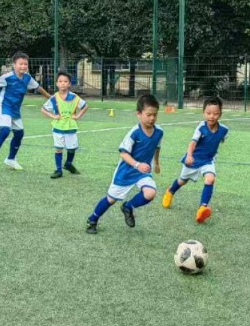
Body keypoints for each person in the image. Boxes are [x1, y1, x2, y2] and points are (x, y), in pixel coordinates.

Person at [86, 93, 163, 234]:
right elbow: (123, 153)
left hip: (143, 172)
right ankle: (93, 219)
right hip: (126, 171)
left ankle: (128, 206)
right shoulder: (134, 133)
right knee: (111, 199)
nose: (152, 118)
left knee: (150, 193)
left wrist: (156, 163)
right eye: (148, 115)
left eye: (155, 115)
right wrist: (137, 164)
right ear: (138, 114)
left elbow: (157, 147)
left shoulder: (159, 132)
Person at [161, 96, 229, 224]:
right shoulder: (201, 127)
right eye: (208, 113)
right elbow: (193, 142)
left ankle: (202, 208)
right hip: (193, 160)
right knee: (182, 180)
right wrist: (189, 155)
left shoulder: (224, 130)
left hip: (208, 161)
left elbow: (219, 140)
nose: (211, 116)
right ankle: (170, 191)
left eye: (215, 113)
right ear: (203, 112)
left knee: (210, 179)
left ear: (220, 114)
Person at [0, 51, 50, 172]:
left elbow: (38, 88)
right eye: (21, 64)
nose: (23, 66)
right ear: (14, 65)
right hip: (3, 106)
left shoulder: (27, 78)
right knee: (5, 130)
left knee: (19, 133)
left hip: (15, 108)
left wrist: (51, 98)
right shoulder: (7, 77)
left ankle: (11, 159)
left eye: (25, 64)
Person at [41, 71, 87, 178]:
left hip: (70, 126)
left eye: (65, 81)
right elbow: (43, 109)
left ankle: (68, 164)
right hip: (58, 126)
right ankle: (58, 170)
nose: (63, 83)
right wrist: (53, 116)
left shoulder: (74, 97)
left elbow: (85, 106)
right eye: (60, 81)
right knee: (58, 148)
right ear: (57, 83)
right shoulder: (53, 98)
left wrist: (78, 116)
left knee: (71, 148)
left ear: (69, 84)